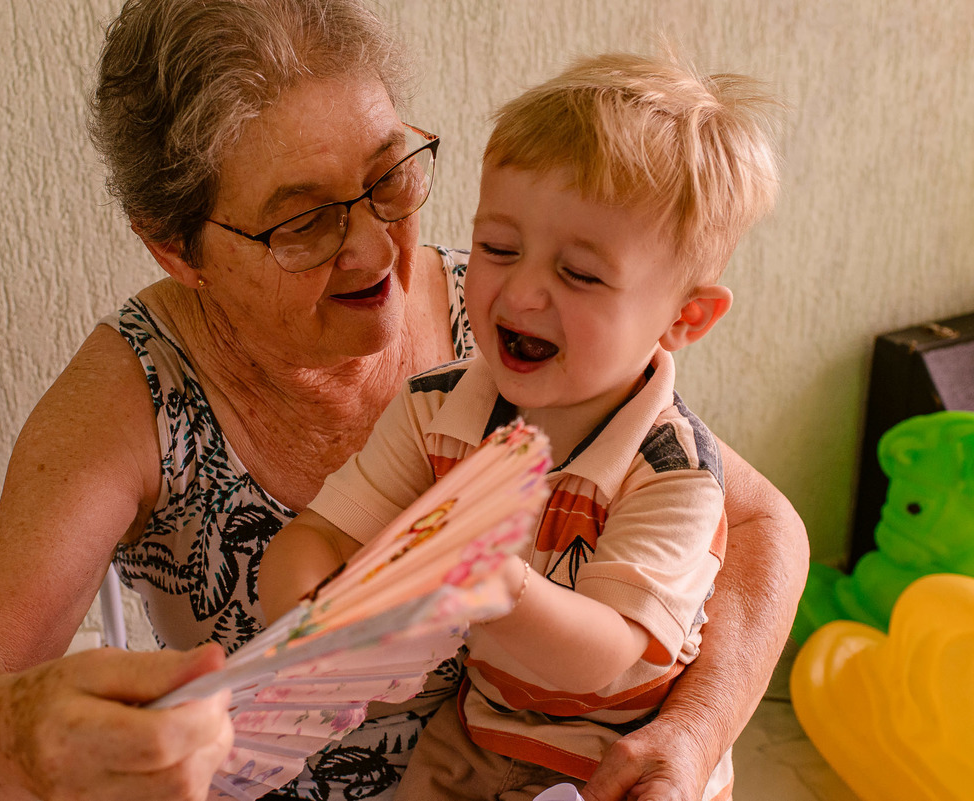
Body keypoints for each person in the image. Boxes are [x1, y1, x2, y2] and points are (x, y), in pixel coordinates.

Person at [0, 1, 808, 800]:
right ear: (176, 248)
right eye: (303, 221)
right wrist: (23, 732)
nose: (372, 250)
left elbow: (762, 525)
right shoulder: (141, 392)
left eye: (388, 179)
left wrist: (691, 733)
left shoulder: (512, 325)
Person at [257, 51, 781, 801]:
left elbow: (603, 652)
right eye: (498, 249)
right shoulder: (435, 409)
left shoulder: (675, 471)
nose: (522, 292)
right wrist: (312, 620)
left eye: (580, 274)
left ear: (683, 317)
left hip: (624, 759)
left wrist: (495, 583)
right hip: (478, 730)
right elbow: (322, 535)